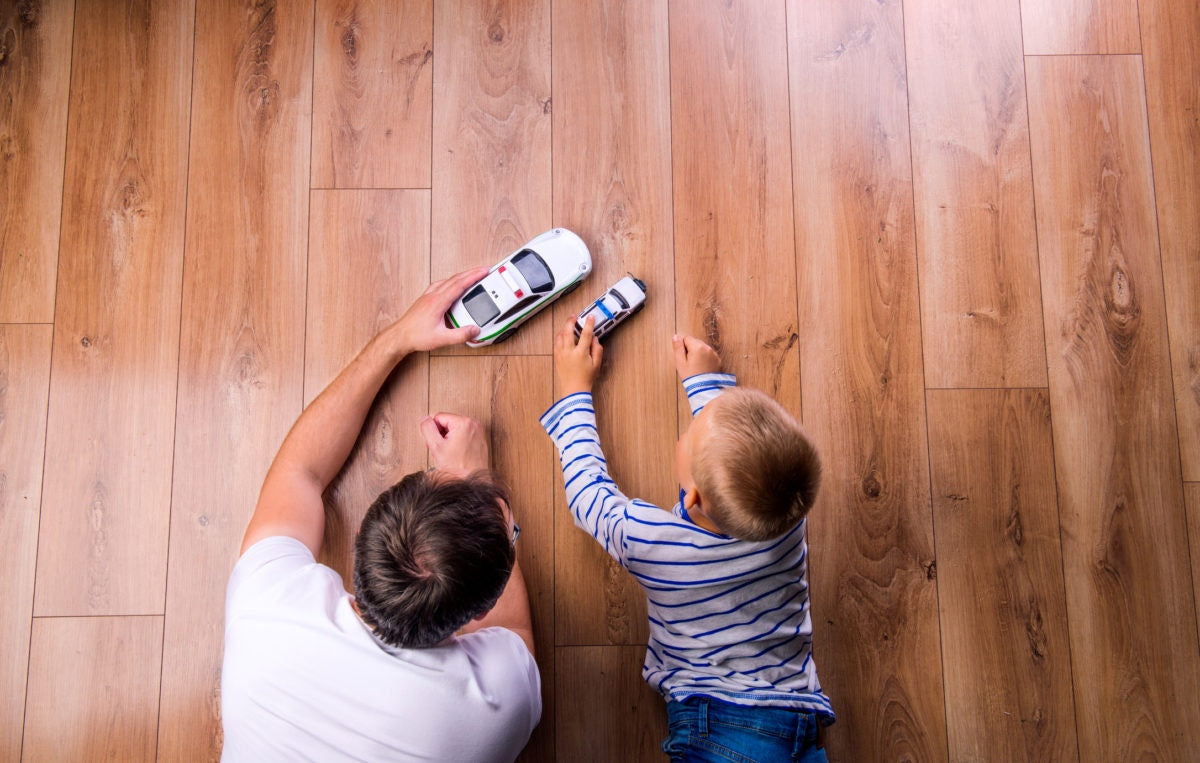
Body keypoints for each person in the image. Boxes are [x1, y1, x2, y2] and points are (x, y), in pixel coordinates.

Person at [221, 267, 541, 762]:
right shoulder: (496, 706)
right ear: (481, 611)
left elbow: (300, 471)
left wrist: (397, 340)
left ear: (362, 539)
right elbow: (514, 636)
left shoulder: (266, 605)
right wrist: (475, 478)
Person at [542, 317, 833, 762]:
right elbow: (741, 462)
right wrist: (705, 383)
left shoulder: (652, 544)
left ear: (693, 495)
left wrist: (573, 389)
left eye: (688, 436)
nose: (688, 430)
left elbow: (588, 496)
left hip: (720, 726)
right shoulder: (787, 514)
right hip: (795, 708)